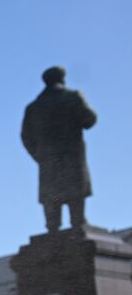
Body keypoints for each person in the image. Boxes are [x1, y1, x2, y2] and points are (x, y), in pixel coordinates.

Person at [21, 66, 97, 233]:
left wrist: (39, 156)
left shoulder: (33, 108)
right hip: (71, 155)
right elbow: (90, 119)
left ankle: (52, 226)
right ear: (62, 79)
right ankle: (78, 221)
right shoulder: (72, 97)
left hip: (48, 160)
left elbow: (26, 137)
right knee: (74, 188)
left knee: (52, 193)